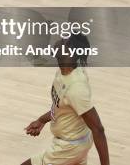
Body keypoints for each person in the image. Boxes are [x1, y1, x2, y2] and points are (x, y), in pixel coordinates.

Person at [21, 33, 109, 165]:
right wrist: (42, 120)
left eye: (63, 41)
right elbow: (61, 106)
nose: (58, 41)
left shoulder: (76, 88)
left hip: (68, 148)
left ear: (69, 52)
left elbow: (98, 129)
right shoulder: (63, 71)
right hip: (75, 143)